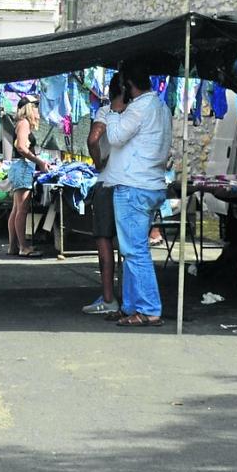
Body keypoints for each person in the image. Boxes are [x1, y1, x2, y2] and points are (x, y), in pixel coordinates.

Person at [101, 62, 172, 327]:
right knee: (131, 250)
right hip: (148, 184)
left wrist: (114, 112)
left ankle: (149, 308)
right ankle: (132, 305)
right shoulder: (161, 107)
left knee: (136, 250)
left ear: (128, 86)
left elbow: (116, 136)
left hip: (134, 186)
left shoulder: (139, 107)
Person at [83, 73, 122, 315]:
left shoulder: (107, 112)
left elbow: (92, 139)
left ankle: (109, 297)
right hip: (131, 183)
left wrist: (99, 162)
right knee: (131, 245)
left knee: (104, 240)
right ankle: (130, 297)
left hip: (108, 182)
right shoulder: (141, 112)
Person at [7, 96, 48, 258]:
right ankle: (23, 246)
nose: (38, 109)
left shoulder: (20, 123)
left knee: (16, 209)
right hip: (23, 167)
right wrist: (39, 161)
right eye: (36, 105)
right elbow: (22, 147)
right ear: (30, 107)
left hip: (19, 167)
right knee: (21, 210)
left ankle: (13, 246)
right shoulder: (24, 123)